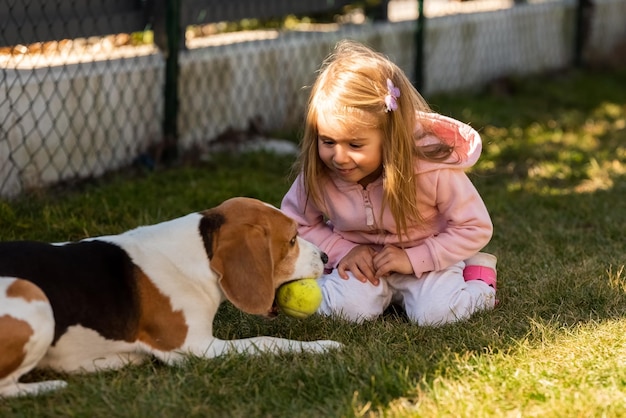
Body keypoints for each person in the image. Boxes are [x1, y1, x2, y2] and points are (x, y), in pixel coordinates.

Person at [281, 39, 497, 325]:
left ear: (391, 139)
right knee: (346, 311)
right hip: (363, 264)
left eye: (355, 145)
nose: (339, 157)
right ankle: (357, 293)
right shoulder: (318, 173)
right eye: (328, 141)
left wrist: (415, 258)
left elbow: (474, 226)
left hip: (427, 258)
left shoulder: (430, 170)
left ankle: (480, 279)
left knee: (437, 315)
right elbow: (294, 223)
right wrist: (344, 251)